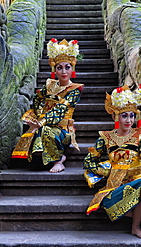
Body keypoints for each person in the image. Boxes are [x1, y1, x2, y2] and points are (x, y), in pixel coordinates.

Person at [83, 84, 141, 239]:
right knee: (108, 203)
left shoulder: (140, 136)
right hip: (115, 187)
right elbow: (89, 162)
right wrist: (109, 171)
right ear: (114, 116)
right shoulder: (106, 138)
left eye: (132, 116)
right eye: (124, 116)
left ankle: (135, 227)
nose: (129, 120)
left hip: (138, 181)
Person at [12, 38, 84, 173]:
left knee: (44, 130)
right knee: (34, 132)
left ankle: (59, 159)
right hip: (43, 122)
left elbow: (60, 110)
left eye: (67, 67)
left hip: (63, 129)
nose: (63, 71)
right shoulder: (49, 85)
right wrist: (37, 116)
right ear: (54, 69)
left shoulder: (75, 89)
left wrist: (41, 122)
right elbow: (38, 99)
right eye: (59, 67)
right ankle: (43, 158)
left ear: (72, 68)